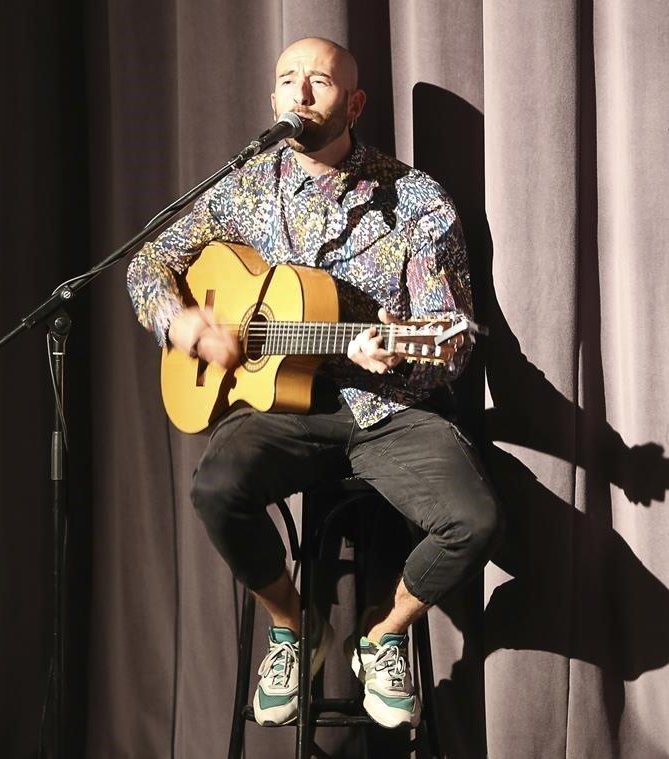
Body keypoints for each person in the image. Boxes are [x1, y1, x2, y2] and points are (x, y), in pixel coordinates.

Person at [126, 37, 502, 729]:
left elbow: (450, 335)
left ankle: (384, 632)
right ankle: (293, 623)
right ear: (272, 98)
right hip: (276, 408)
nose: (299, 94)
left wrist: (402, 353)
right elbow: (147, 261)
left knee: (473, 520)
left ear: (354, 102)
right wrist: (182, 327)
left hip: (386, 406)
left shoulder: (414, 199)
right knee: (215, 489)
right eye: (287, 80)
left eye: (319, 82)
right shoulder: (243, 188)